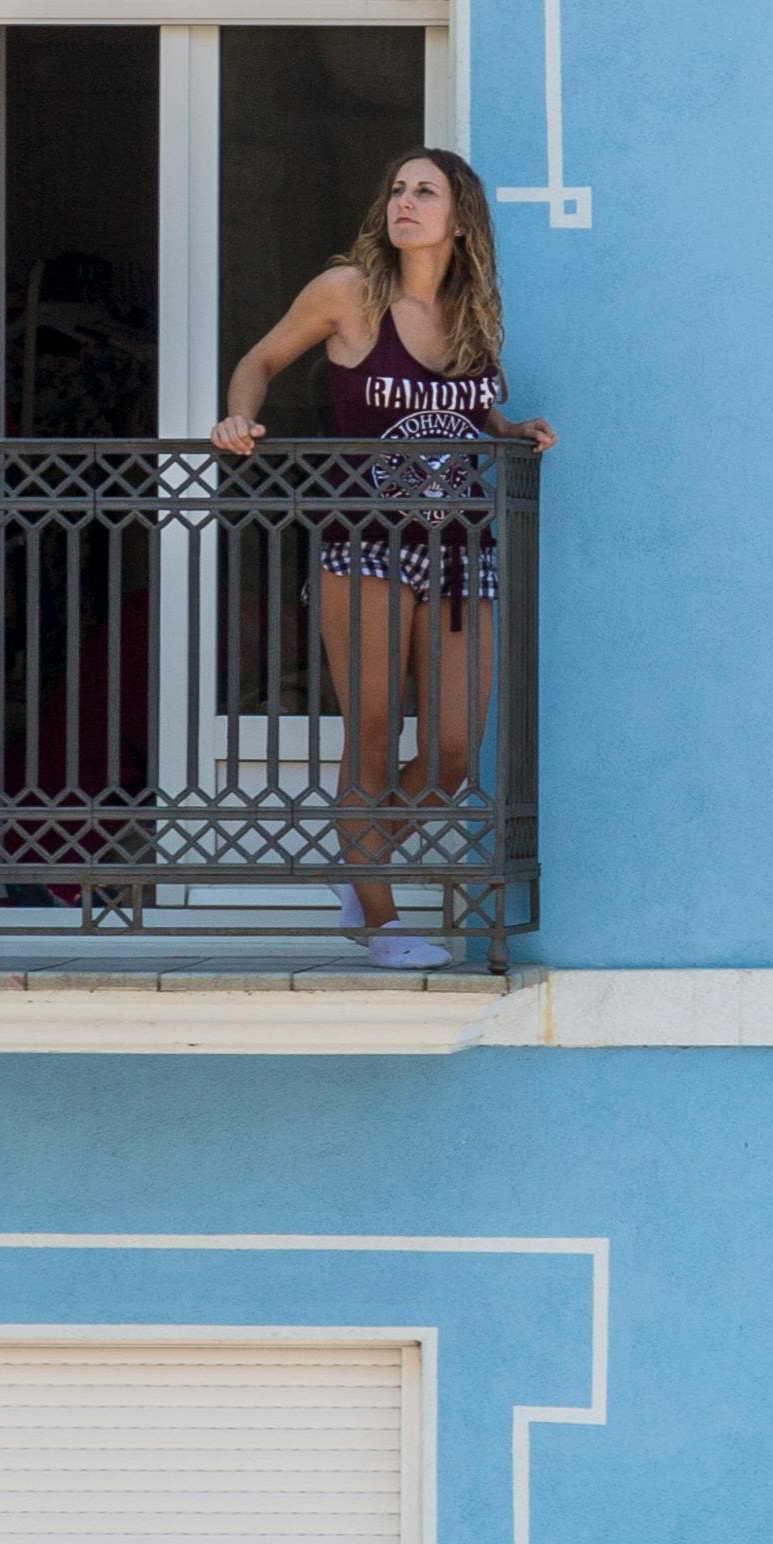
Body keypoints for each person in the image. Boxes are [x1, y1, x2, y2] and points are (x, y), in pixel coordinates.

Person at [216, 145, 554, 971]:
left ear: (459, 220)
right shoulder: (348, 295)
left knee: (448, 756)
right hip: (363, 542)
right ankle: (378, 918)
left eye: (425, 191)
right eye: (397, 189)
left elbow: (466, 412)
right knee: (371, 734)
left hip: (459, 549)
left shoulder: (476, 318)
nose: (405, 202)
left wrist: (509, 433)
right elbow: (259, 359)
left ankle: (355, 858)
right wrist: (237, 420)